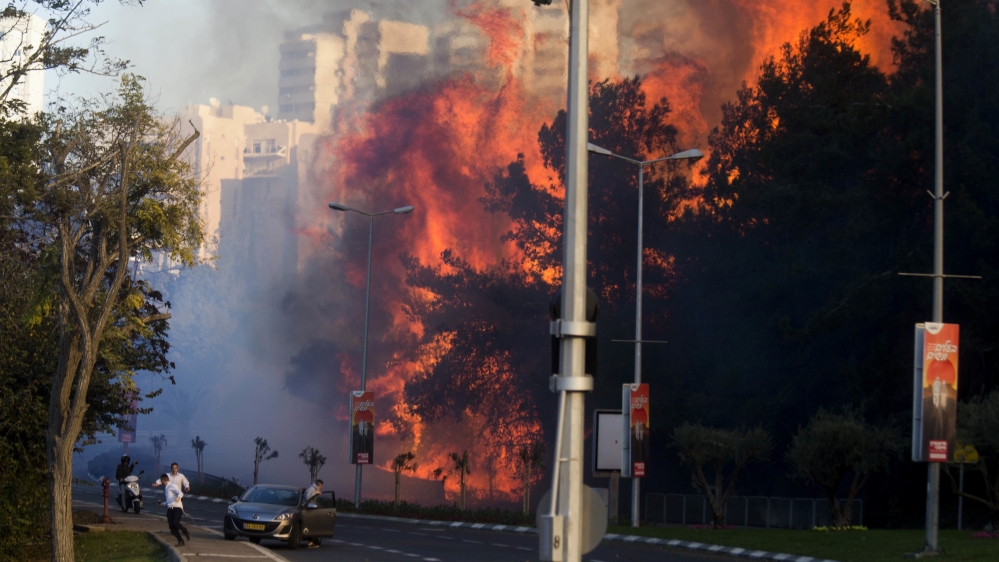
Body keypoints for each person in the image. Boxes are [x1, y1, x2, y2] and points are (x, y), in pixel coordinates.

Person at [157, 473, 190, 546]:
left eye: (161, 481)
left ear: (163, 481)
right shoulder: (166, 488)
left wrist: (178, 497)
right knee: (171, 526)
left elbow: (180, 493)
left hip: (177, 507)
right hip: (170, 508)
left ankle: (185, 531)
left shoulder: (172, 485)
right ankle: (180, 541)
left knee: (175, 523)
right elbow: (169, 500)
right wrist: (162, 504)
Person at [303, 479, 324, 549]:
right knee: (312, 526)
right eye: (321, 486)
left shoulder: (312, 489)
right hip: (310, 510)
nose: (321, 488)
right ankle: (310, 542)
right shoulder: (312, 489)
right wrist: (315, 492)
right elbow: (308, 497)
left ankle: (311, 541)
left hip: (311, 509)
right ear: (320, 485)